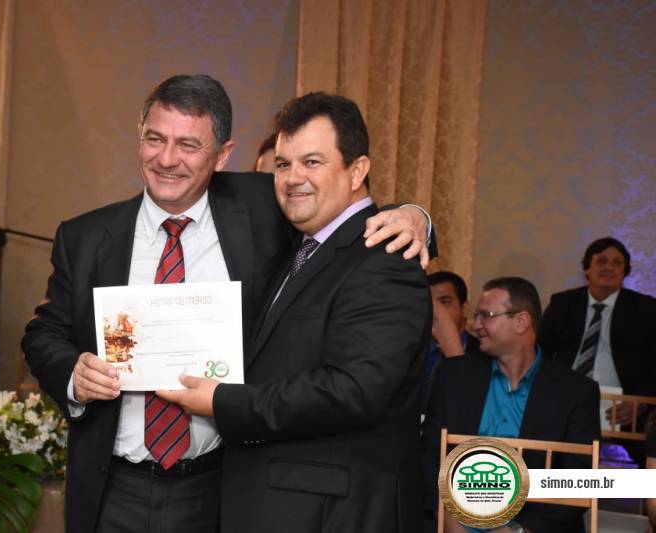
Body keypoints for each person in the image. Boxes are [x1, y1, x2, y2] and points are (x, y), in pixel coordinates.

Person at [21, 74, 434, 533]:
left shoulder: (265, 208)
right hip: (114, 486)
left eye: (188, 145)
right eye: (155, 139)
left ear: (222, 155)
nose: (167, 159)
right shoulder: (85, 237)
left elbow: (344, 217)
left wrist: (413, 217)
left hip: (221, 489)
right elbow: (44, 333)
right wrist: (73, 375)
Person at [159, 92, 431, 533]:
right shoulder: (299, 246)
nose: (292, 178)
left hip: (331, 515)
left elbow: (353, 390)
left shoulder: (384, 259)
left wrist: (224, 401)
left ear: (357, 170)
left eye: (312, 162)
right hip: (274, 504)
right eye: (283, 164)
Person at [422, 277, 601, 533]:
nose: (477, 325)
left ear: (521, 321)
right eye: (477, 316)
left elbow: (579, 480)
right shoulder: (453, 376)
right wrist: (449, 520)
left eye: (487, 316)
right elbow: (429, 456)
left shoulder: (576, 392)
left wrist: (518, 530)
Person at [538, 237, 656, 424]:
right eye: (601, 261)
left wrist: (640, 403)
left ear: (624, 272)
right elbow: (540, 351)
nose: (609, 267)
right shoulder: (563, 303)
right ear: (587, 268)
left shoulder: (646, 308)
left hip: (623, 411)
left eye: (617, 263)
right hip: (564, 402)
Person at [422, 271, 481, 411]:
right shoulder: (409, 352)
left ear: (465, 309)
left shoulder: (484, 353)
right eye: (429, 303)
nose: (437, 312)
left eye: (445, 302)